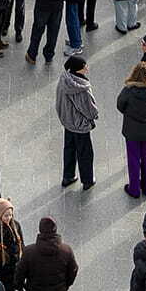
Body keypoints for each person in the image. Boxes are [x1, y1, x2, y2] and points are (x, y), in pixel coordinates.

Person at [116, 60, 146, 198]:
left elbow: (120, 105)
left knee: (133, 159)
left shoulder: (128, 90)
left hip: (132, 131)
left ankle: (134, 189)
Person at [54, 53, 98, 190]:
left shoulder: (63, 80)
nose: (87, 68)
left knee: (69, 149)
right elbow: (89, 109)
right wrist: (94, 116)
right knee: (85, 153)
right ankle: (87, 180)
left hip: (67, 122)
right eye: (85, 66)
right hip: (80, 126)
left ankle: (68, 176)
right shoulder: (82, 88)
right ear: (78, 69)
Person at [14, 215, 77, 291]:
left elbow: (19, 273)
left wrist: (20, 287)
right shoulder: (66, 251)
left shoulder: (29, 252)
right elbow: (73, 271)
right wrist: (64, 286)